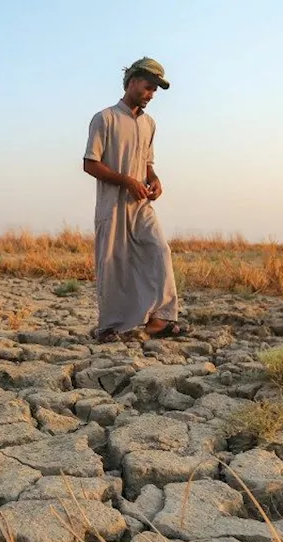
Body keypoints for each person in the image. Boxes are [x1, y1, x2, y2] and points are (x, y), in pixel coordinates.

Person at [82, 56, 184, 344]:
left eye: (154, 91)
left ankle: (159, 320)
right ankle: (110, 327)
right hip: (112, 204)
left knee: (159, 250)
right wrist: (126, 180)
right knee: (114, 262)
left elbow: (146, 162)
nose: (150, 95)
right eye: (148, 87)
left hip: (141, 206)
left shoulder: (149, 124)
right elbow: (91, 164)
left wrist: (153, 178)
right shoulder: (105, 118)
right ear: (132, 81)